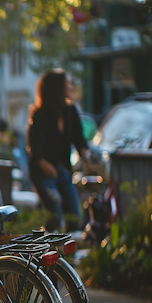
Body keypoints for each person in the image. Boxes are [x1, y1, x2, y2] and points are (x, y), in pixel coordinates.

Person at [27, 69, 90, 232]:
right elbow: (35, 149)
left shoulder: (70, 111)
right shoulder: (39, 115)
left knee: (74, 217)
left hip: (63, 170)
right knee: (53, 215)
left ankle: (69, 253)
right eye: (67, 83)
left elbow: (79, 139)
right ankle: (48, 252)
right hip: (43, 173)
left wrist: (86, 155)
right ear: (58, 88)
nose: (70, 87)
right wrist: (45, 166)